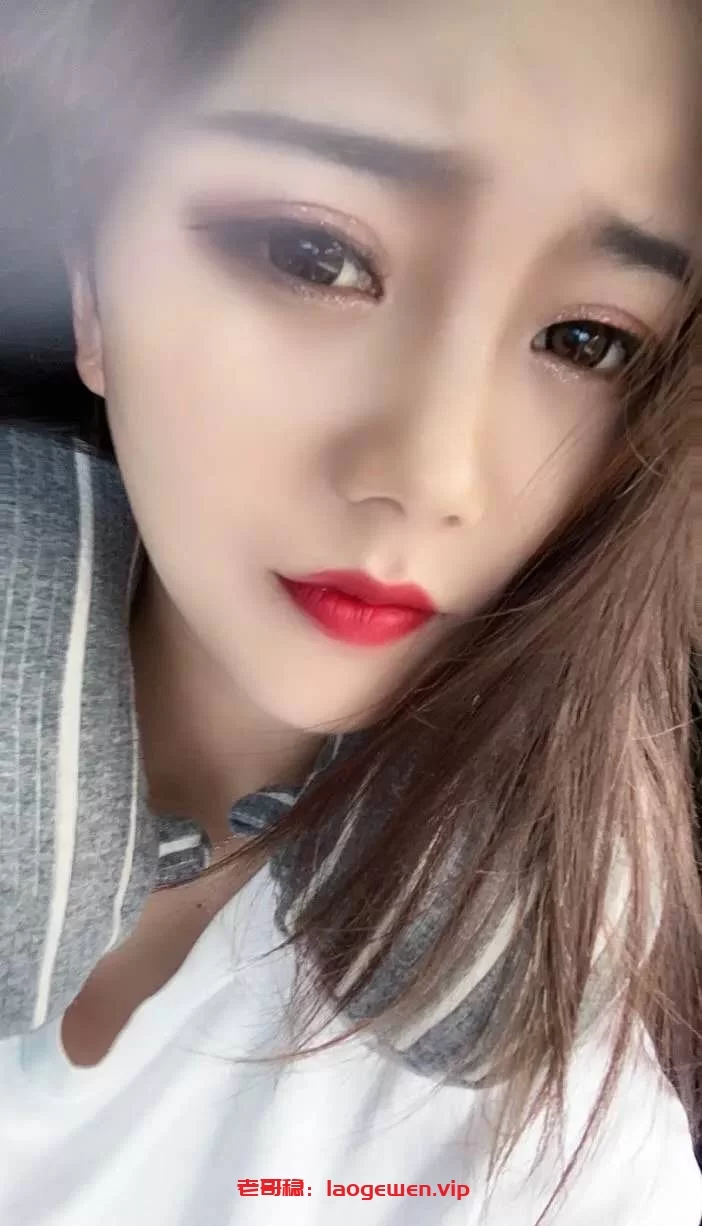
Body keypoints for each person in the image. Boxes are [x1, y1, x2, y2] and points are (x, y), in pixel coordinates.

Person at [0, 0, 700, 1222]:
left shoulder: (556, 1144)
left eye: (587, 338)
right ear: (93, 280)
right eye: (313, 255)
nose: (434, 474)